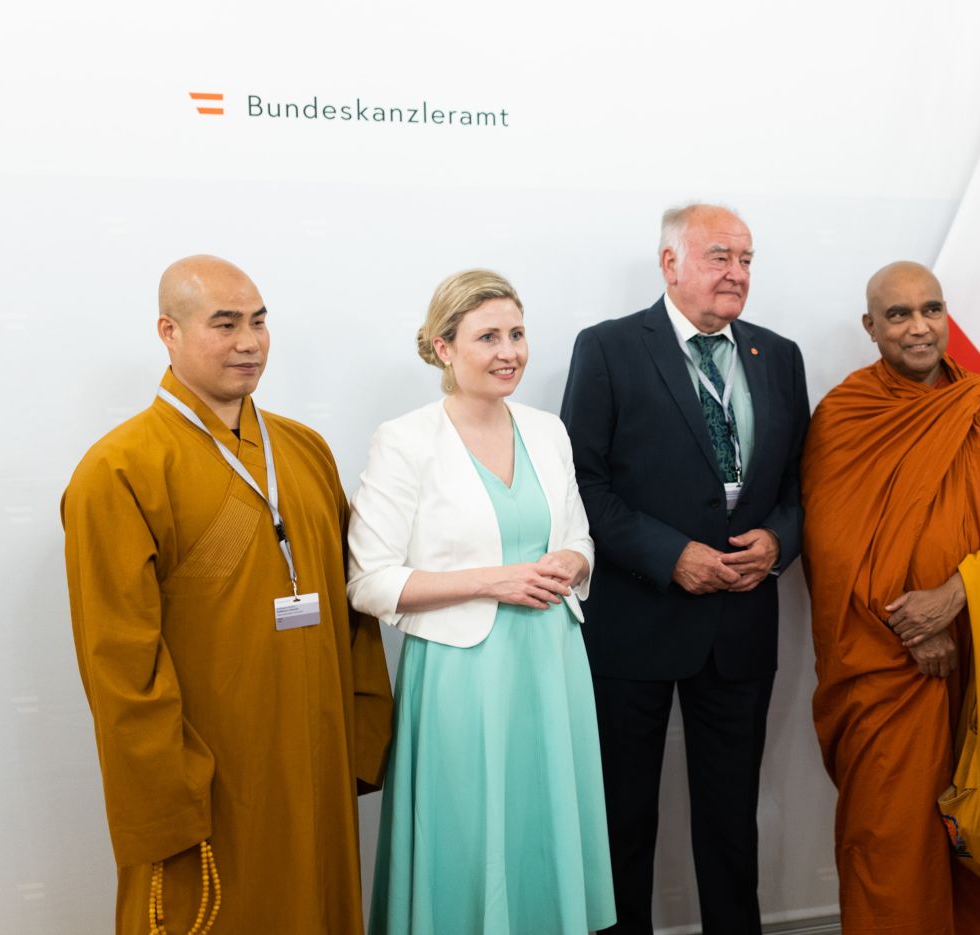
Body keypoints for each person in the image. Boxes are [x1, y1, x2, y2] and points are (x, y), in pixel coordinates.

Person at [61, 255, 394, 935]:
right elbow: (119, 662)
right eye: (225, 323)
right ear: (169, 331)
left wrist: (359, 737)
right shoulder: (118, 470)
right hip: (212, 775)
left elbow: (353, 609)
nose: (249, 341)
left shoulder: (304, 451)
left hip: (314, 756)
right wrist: (166, 794)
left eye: (259, 321)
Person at [559, 203, 810, 934]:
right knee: (624, 817)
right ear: (670, 264)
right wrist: (669, 556)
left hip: (740, 623)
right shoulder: (607, 348)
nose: (736, 274)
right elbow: (584, 483)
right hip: (636, 620)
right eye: (718, 257)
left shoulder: (779, 354)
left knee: (733, 820)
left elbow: (801, 482)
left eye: (746, 259)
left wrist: (778, 540)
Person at [346, 269, 614, 934]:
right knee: (467, 836)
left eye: (517, 333)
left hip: (553, 664)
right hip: (463, 676)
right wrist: (492, 580)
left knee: (542, 828)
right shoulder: (405, 440)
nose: (509, 351)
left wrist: (573, 559)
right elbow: (370, 581)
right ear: (442, 348)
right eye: (487, 335)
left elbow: (579, 536)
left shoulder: (548, 429)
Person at [801, 261, 980, 932]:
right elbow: (833, 548)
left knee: (966, 830)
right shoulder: (844, 414)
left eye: (931, 309)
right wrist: (916, 626)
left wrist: (954, 597)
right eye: (898, 314)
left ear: (947, 316)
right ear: (871, 326)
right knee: (886, 836)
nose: (918, 326)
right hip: (882, 664)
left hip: (973, 658)